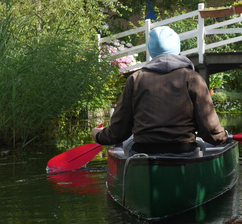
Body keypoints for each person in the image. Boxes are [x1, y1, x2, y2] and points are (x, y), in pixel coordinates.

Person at [91, 26, 228, 155]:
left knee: (126, 142)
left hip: (144, 152)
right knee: (201, 144)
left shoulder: (135, 79)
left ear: (151, 50)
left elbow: (118, 132)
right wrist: (223, 136)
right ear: (177, 48)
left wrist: (99, 135)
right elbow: (210, 132)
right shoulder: (193, 79)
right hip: (183, 151)